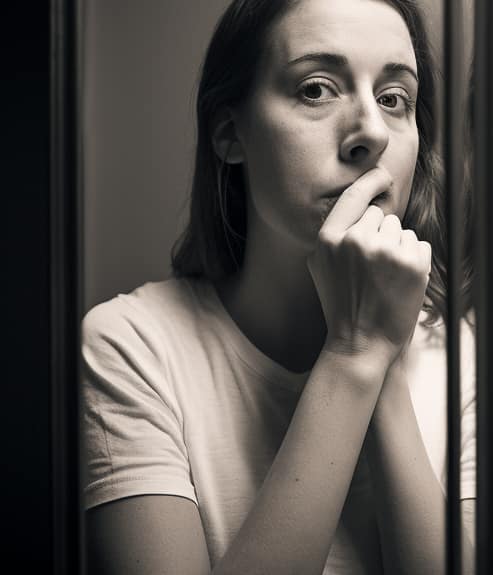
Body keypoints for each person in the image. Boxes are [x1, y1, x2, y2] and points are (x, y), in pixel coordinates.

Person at [81, 0, 471, 573]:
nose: (370, 133)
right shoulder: (132, 347)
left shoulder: (471, 357)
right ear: (229, 133)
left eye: (394, 99)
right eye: (316, 89)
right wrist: (354, 353)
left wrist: (381, 362)